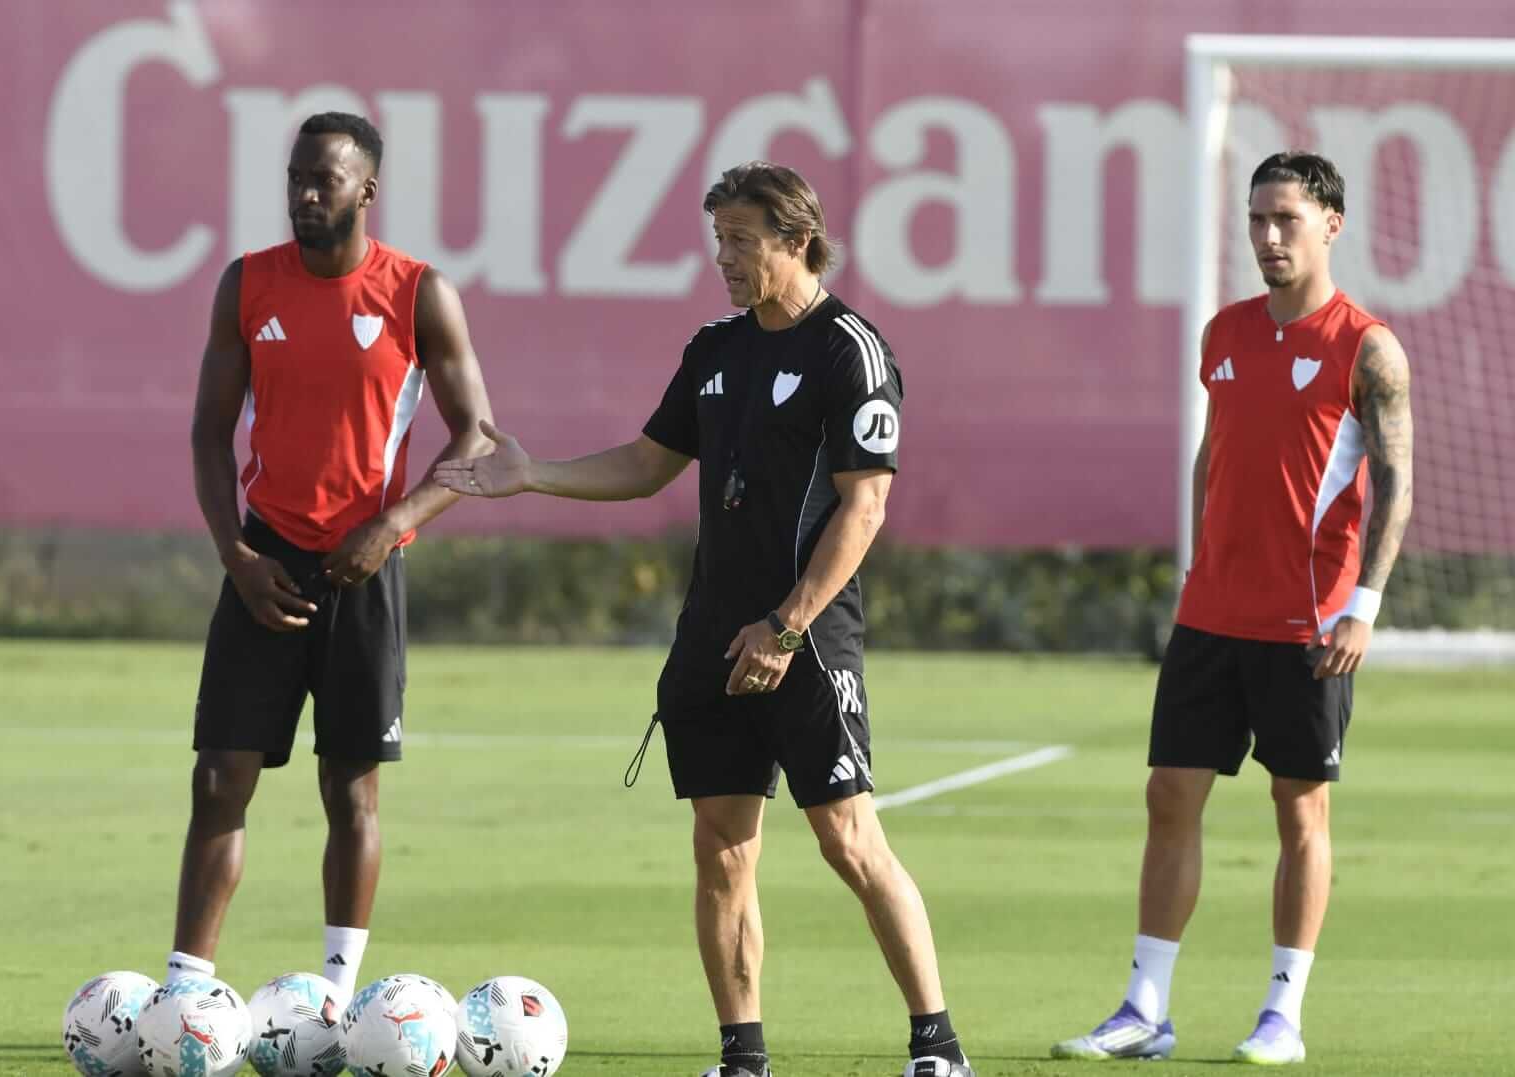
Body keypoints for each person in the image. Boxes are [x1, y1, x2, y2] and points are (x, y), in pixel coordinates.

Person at [435, 161, 973, 1077]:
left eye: (741, 240)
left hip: (804, 641)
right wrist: (534, 473)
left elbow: (865, 509)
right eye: (718, 238)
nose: (722, 257)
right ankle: (743, 1057)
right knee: (721, 851)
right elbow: (648, 463)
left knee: (849, 838)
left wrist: (789, 626)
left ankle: (938, 1046)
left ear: (797, 239)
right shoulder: (716, 349)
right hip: (710, 638)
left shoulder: (851, 351)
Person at [1051, 151, 1414, 1066]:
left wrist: (1364, 606)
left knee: (1301, 814)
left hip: (1310, 623)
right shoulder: (1226, 332)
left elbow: (1398, 482)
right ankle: (1145, 1008)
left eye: (1286, 219)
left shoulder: (1367, 346)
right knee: (1169, 794)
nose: (1268, 236)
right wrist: (1193, 567)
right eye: (1256, 219)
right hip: (1212, 613)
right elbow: (1211, 457)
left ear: (1332, 222)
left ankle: (1282, 1014)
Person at [167, 112, 494, 1003]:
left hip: (365, 569)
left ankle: (339, 998)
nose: (307, 195)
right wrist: (235, 553)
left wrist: (392, 525)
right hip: (263, 564)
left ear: (367, 191)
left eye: (326, 180)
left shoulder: (418, 292)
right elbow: (207, 431)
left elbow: (477, 436)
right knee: (218, 776)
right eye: (296, 178)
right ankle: (186, 989)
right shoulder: (248, 284)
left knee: (349, 788)